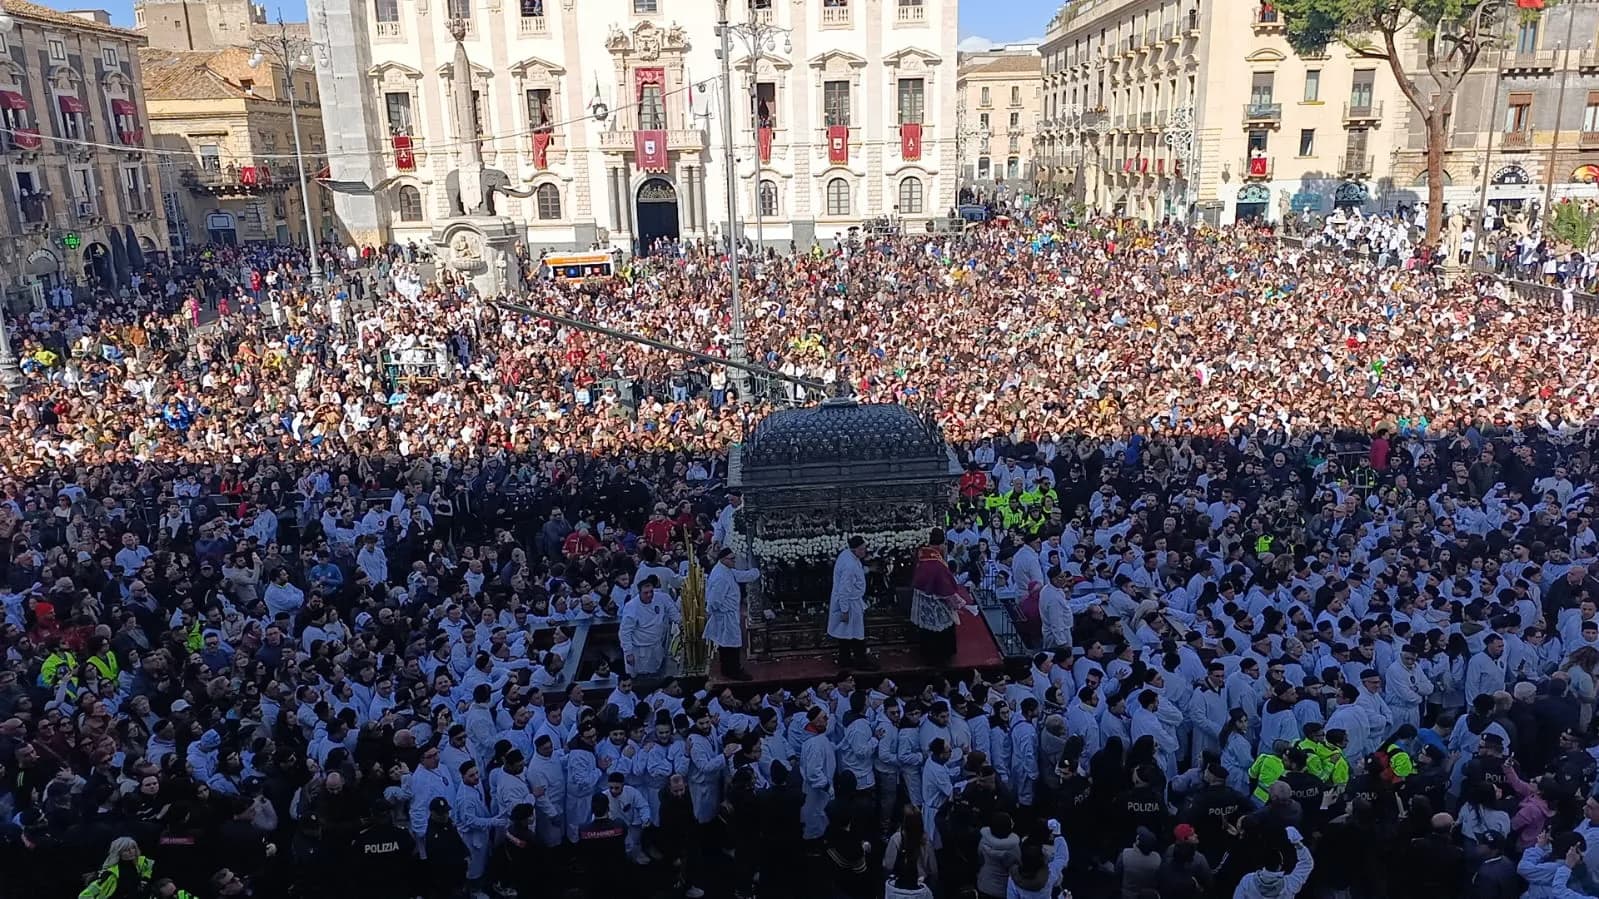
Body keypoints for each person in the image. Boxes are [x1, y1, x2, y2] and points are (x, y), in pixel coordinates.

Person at [705, 547, 760, 680]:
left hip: (728, 614)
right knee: (731, 644)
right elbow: (714, 601)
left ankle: (728, 669)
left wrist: (757, 572)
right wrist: (718, 611)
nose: (734, 561)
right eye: (732, 559)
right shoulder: (721, 577)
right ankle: (733, 671)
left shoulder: (725, 569)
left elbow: (739, 575)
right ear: (723, 559)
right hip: (725, 615)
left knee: (727, 643)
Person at [829, 536, 876, 670]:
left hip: (849, 600)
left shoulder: (847, 555)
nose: (865, 551)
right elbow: (844, 589)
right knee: (856, 633)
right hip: (849, 602)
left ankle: (845, 659)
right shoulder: (849, 565)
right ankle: (861, 661)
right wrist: (844, 610)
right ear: (855, 549)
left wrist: (868, 570)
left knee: (845, 632)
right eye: (862, 549)